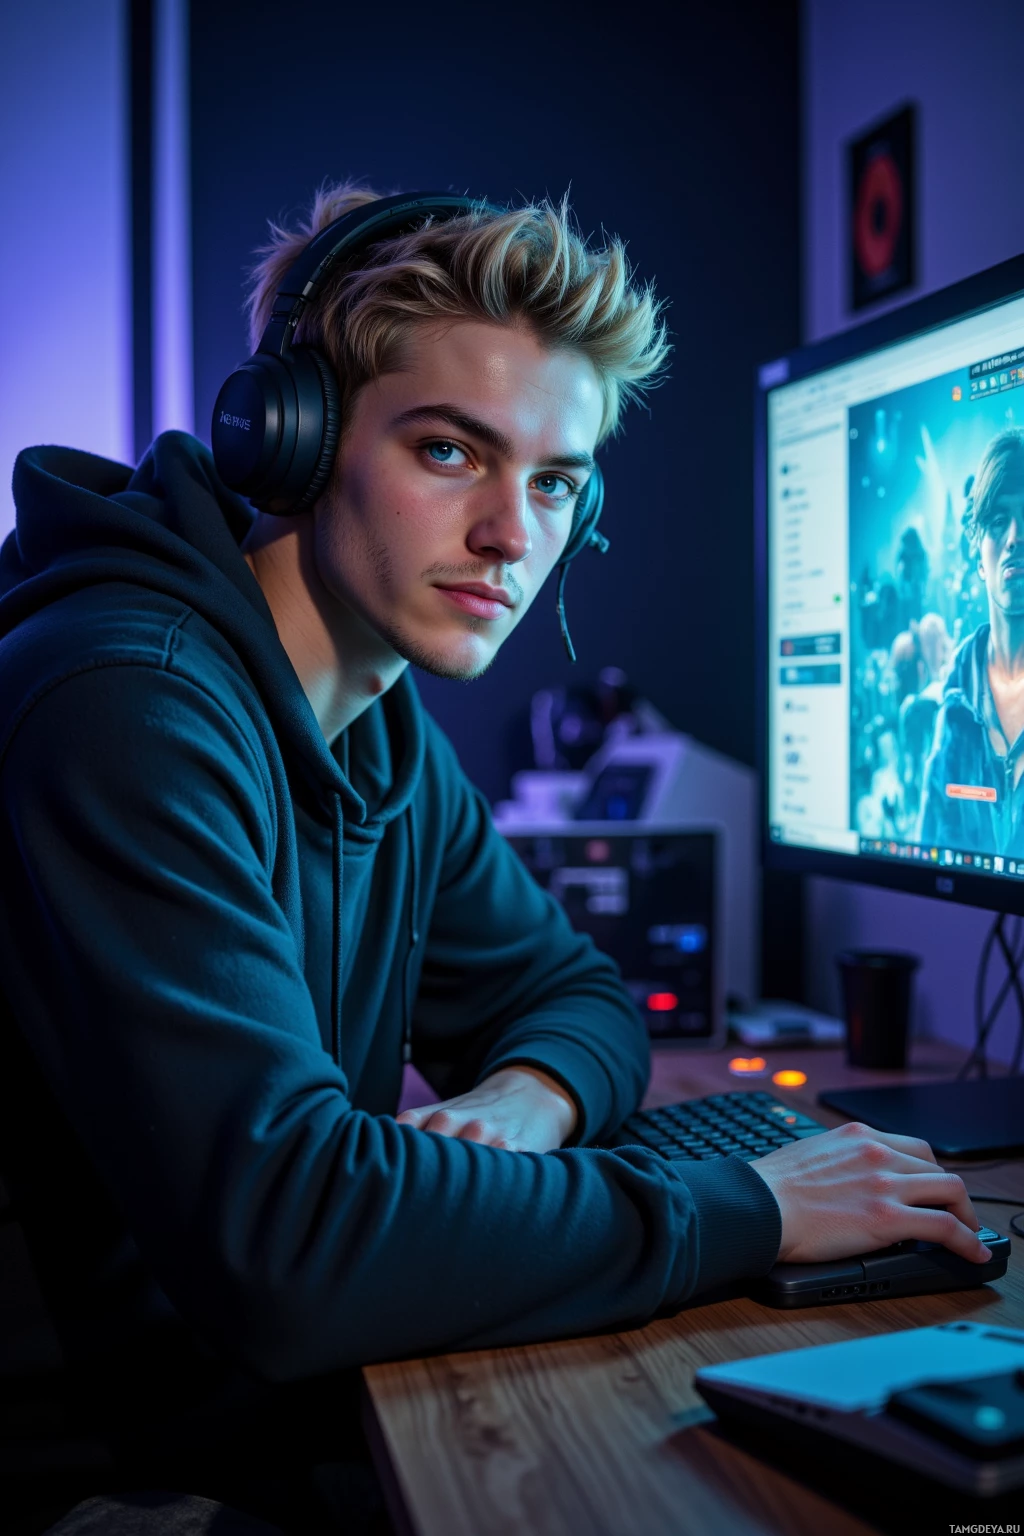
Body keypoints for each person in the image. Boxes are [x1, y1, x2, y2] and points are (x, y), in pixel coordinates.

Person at [0, 184, 989, 1533]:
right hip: (106, 1483)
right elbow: (296, 1241)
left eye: (557, 481)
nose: (515, 539)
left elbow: (579, 997)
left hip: (250, 1416)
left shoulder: (379, 730)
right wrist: (747, 1207)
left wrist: (529, 1103)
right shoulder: (127, 706)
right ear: (285, 439)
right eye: (453, 453)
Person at [919, 427, 1024, 856]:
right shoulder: (956, 709)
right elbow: (930, 849)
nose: (1016, 537)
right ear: (978, 551)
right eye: (999, 521)